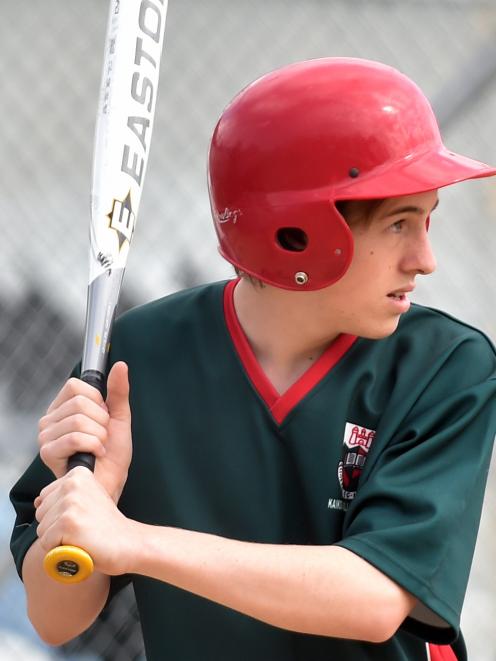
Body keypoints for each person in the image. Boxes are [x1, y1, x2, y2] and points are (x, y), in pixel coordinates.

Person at [10, 58, 496, 661]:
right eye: (399, 225)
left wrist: (132, 541)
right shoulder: (141, 359)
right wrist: (85, 504)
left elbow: (373, 600)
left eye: (427, 222)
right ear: (297, 232)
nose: (426, 259)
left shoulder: (444, 367)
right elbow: (55, 619)